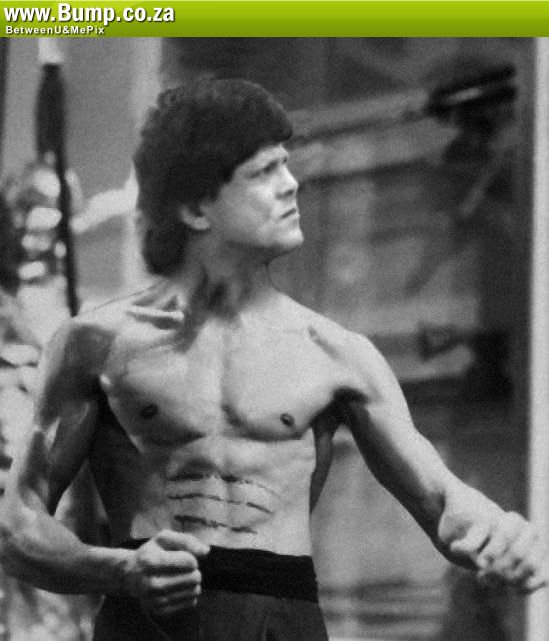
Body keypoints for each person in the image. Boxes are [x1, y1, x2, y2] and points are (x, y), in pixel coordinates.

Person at [0, 78, 545, 641]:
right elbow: (17, 528)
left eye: (286, 166)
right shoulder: (94, 344)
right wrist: (120, 570)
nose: (291, 186)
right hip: (147, 616)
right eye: (264, 173)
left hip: (283, 619)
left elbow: (443, 501)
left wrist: (500, 532)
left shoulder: (338, 355)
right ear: (196, 208)